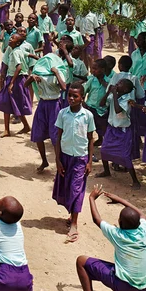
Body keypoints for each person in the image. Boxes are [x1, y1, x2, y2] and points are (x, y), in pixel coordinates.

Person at [77, 186, 146, 291]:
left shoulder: (117, 234)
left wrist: (92, 198)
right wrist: (120, 200)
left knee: (81, 261)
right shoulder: (144, 230)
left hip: (122, 286)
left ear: (120, 223)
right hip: (145, 288)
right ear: (139, 223)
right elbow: (141, 214)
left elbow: (96, 219)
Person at [52, 83, 95, 243]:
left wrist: (90, 161)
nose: (71, 98)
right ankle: (72, 215)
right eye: (69, 95)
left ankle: (75, 224)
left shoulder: (88, 116)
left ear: (82, 98)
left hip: (80, 158)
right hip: (65, 157)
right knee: (66, 186)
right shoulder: (63, 114)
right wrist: (57, 159)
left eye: (75, 96)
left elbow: (91, 139)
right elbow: (58, 137)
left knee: (76, 189)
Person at [97, 78, 140, 188]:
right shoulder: (113, 96)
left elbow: (117, 110)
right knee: (104, 150)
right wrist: (108, 93)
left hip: (123, 130)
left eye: (120, 83)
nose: (116, 84)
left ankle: (135, 180)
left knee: (125, 156)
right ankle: (106, 171)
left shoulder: (128, 99)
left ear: (125, 89)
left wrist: (114, 95)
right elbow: (101, 104)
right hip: (112, 128)